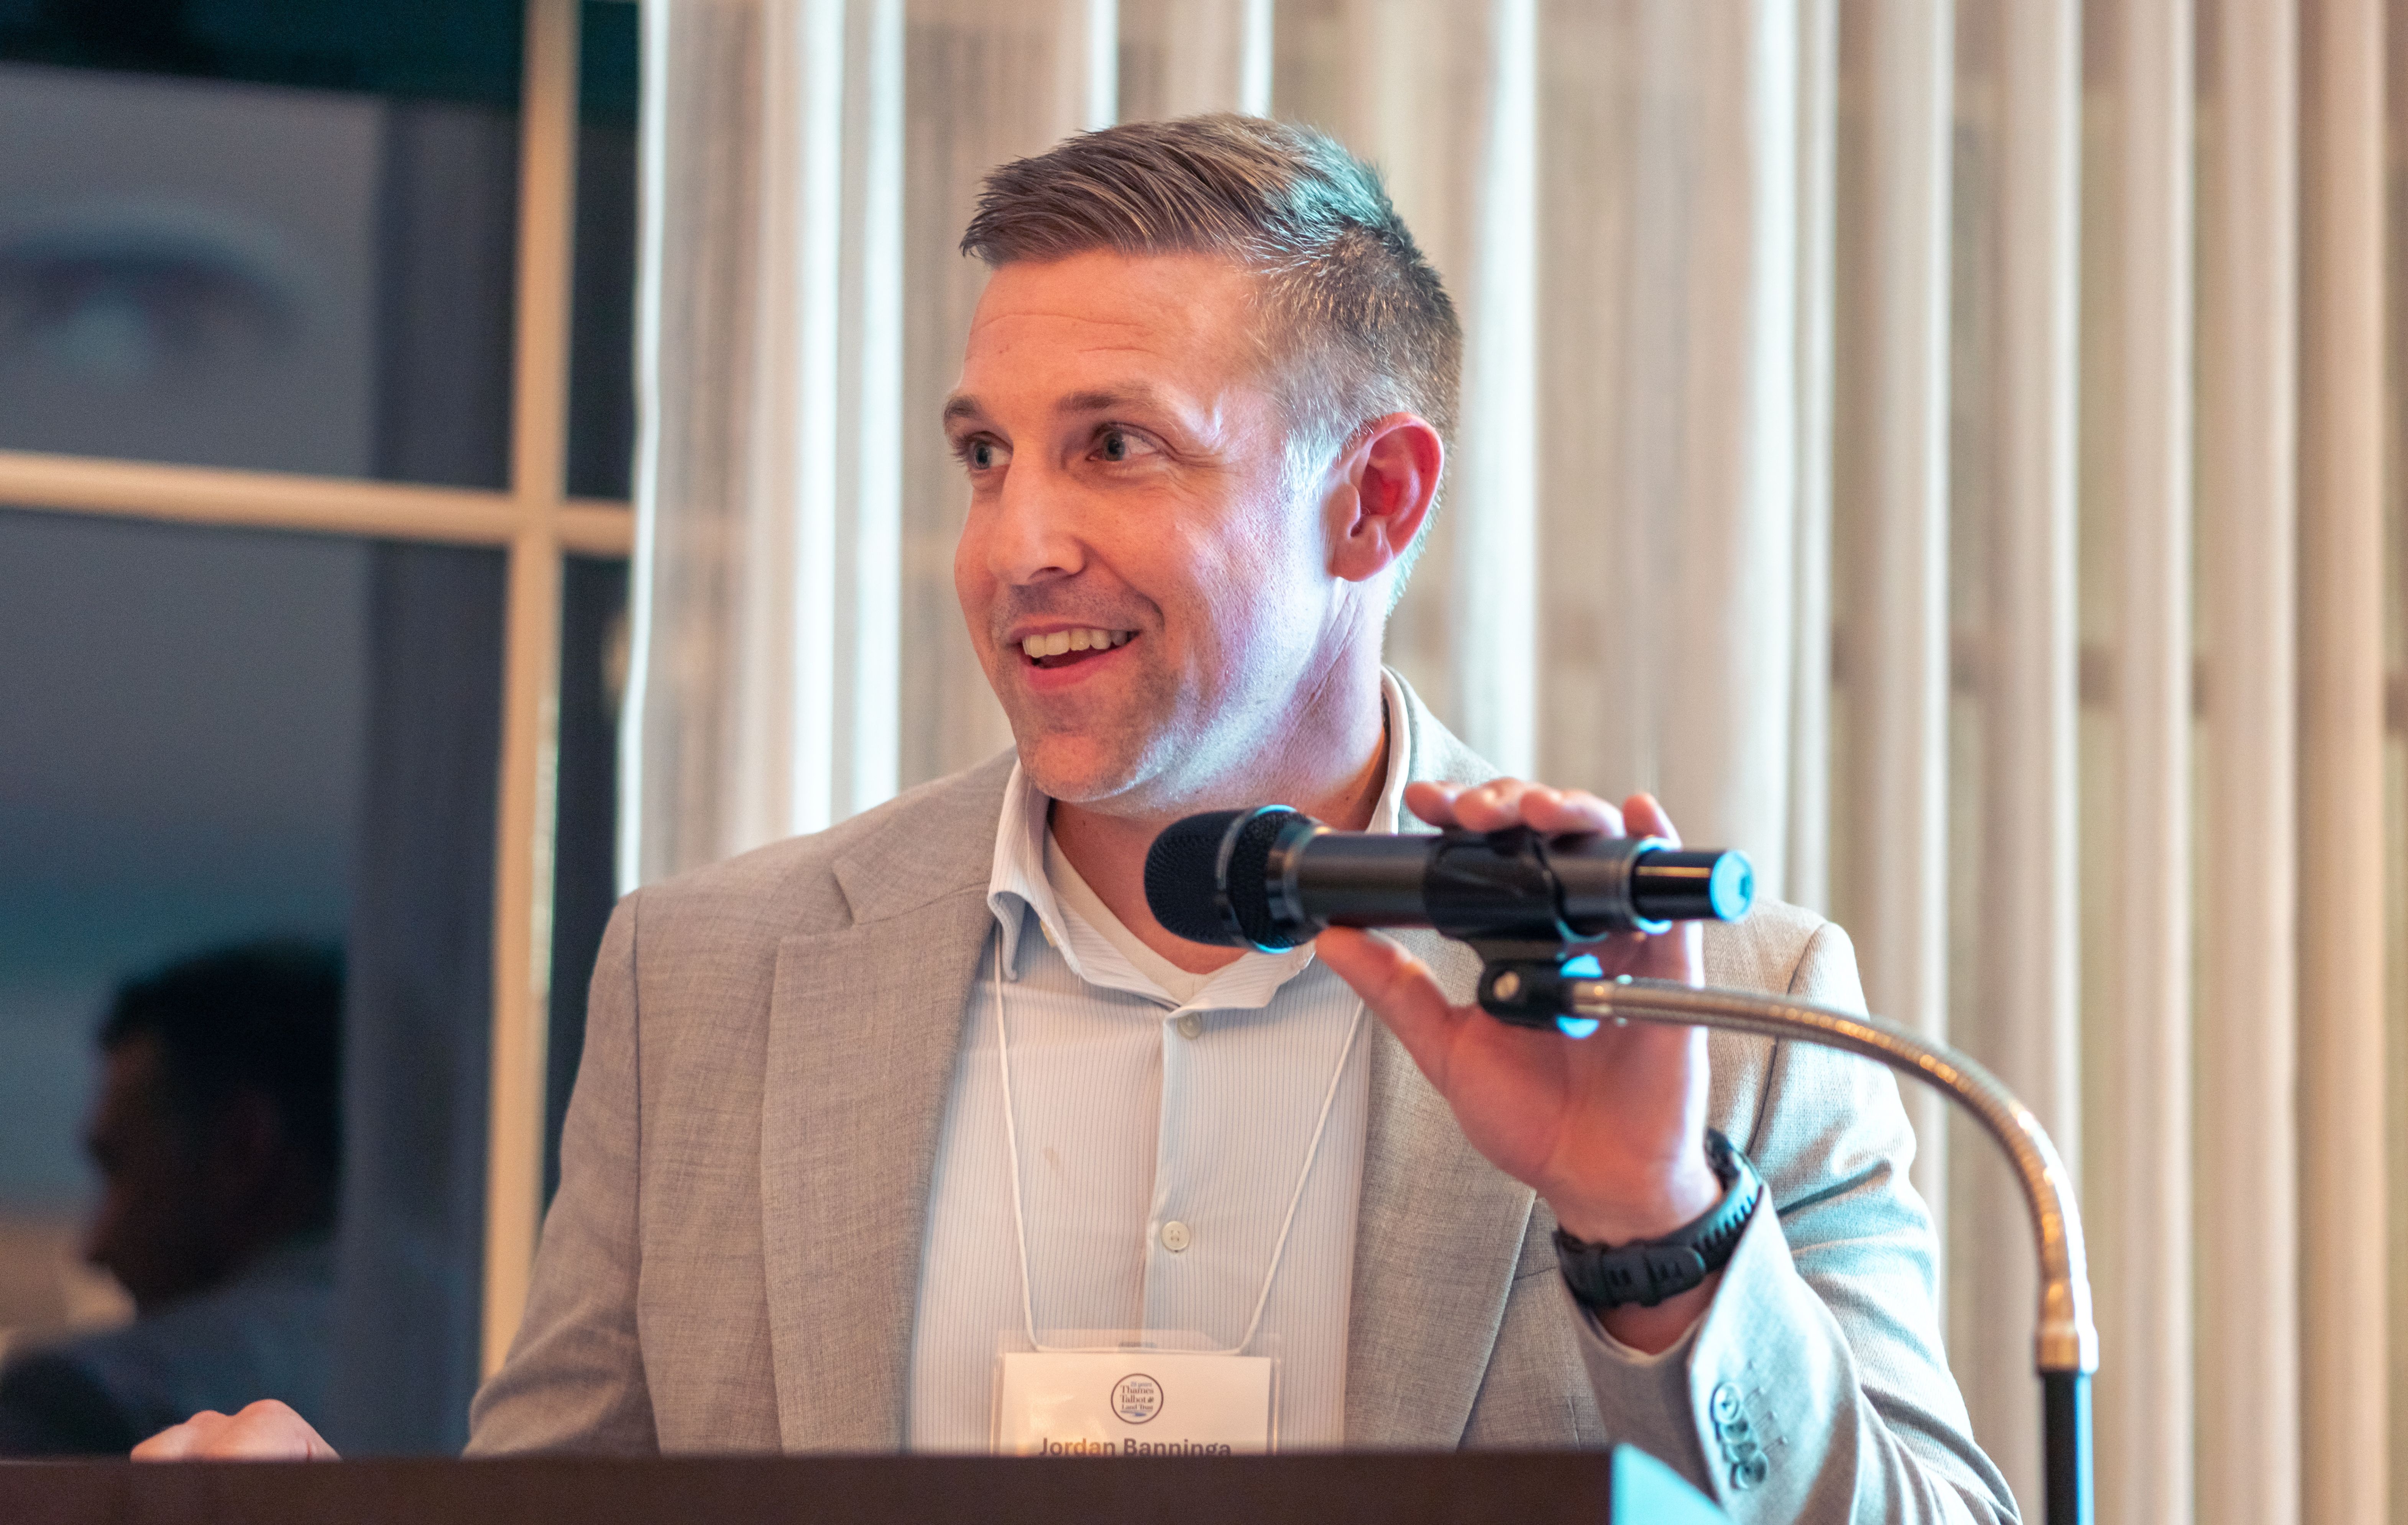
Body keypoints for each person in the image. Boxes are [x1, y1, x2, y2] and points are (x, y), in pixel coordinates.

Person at [138, 115, 2012, 1520]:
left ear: (1370, 503)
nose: (1014, 544)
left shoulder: (1723, 1009)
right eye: (985, 454)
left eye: (1115, 445)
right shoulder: (705, 980)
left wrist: (1652, 1236)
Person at [0, 940, 341, 1456]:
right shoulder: (452, 1370)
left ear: (241, 1149)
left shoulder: (87, 1400)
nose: (95, 1248)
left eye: (120, 1168)